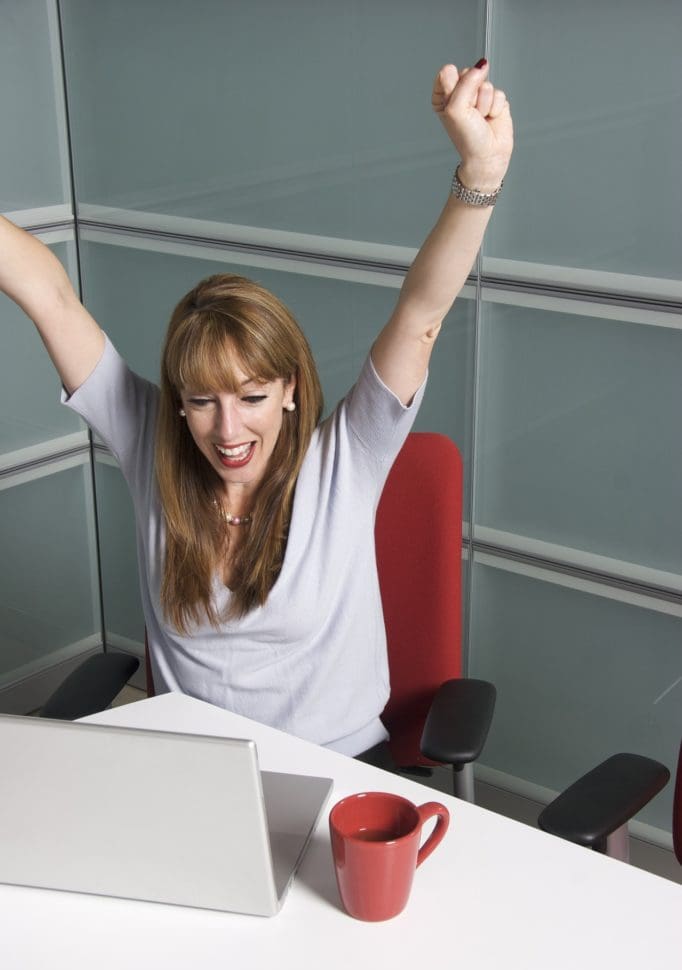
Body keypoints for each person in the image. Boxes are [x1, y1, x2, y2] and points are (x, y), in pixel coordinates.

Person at [0, 61, 513, 756]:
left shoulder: (347, 458)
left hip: (339, 771)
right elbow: (47, 294)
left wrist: (479, 175)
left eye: (252, 397)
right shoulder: (152, 444)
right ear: (177, 405)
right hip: (195, 774)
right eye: (202, 401)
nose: (229, 429)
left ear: (292, 388)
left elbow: (422, 315)